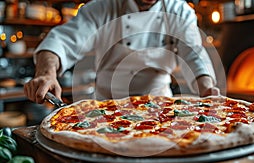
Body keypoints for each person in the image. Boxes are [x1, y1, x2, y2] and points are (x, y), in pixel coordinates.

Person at [24, 0, 220, 104]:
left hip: (162, 107)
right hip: (106, 108)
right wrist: (46, 74)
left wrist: (207, 88)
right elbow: (61, 41)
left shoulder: (179, 11)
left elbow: (194, 53)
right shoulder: (102, 7)